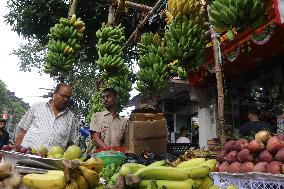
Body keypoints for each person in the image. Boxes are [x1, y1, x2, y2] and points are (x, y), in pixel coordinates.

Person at [15, 83, 79, 149]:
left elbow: (72, 144)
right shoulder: (36, 107)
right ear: (54, 93)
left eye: (68, 97)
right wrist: (15, 153)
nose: (65, 99)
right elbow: (22, 131)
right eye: (63, 95)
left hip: (51, 158)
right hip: (27, 156)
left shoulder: (71, 118)